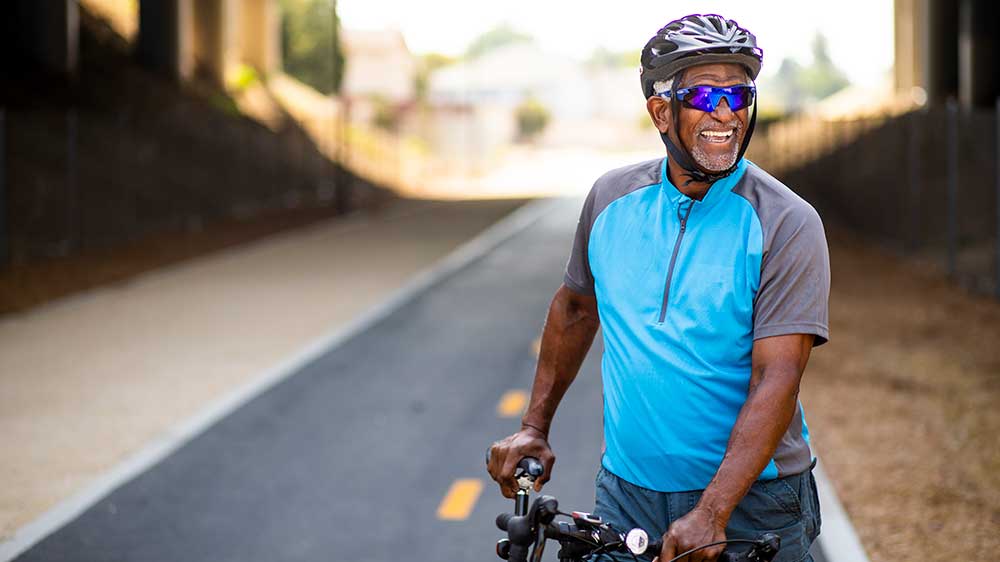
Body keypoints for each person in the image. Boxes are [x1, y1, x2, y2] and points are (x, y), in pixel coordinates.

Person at [487, 14, 829, 562]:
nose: (726, 113)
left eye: (739, 95)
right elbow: (575, 308)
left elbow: (777, 377)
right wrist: (534, 427)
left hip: (753, 501)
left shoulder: (786, 221)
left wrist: (714, 510)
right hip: (627, 495)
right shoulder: (610, 200)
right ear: (661, 111)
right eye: (705, 95)